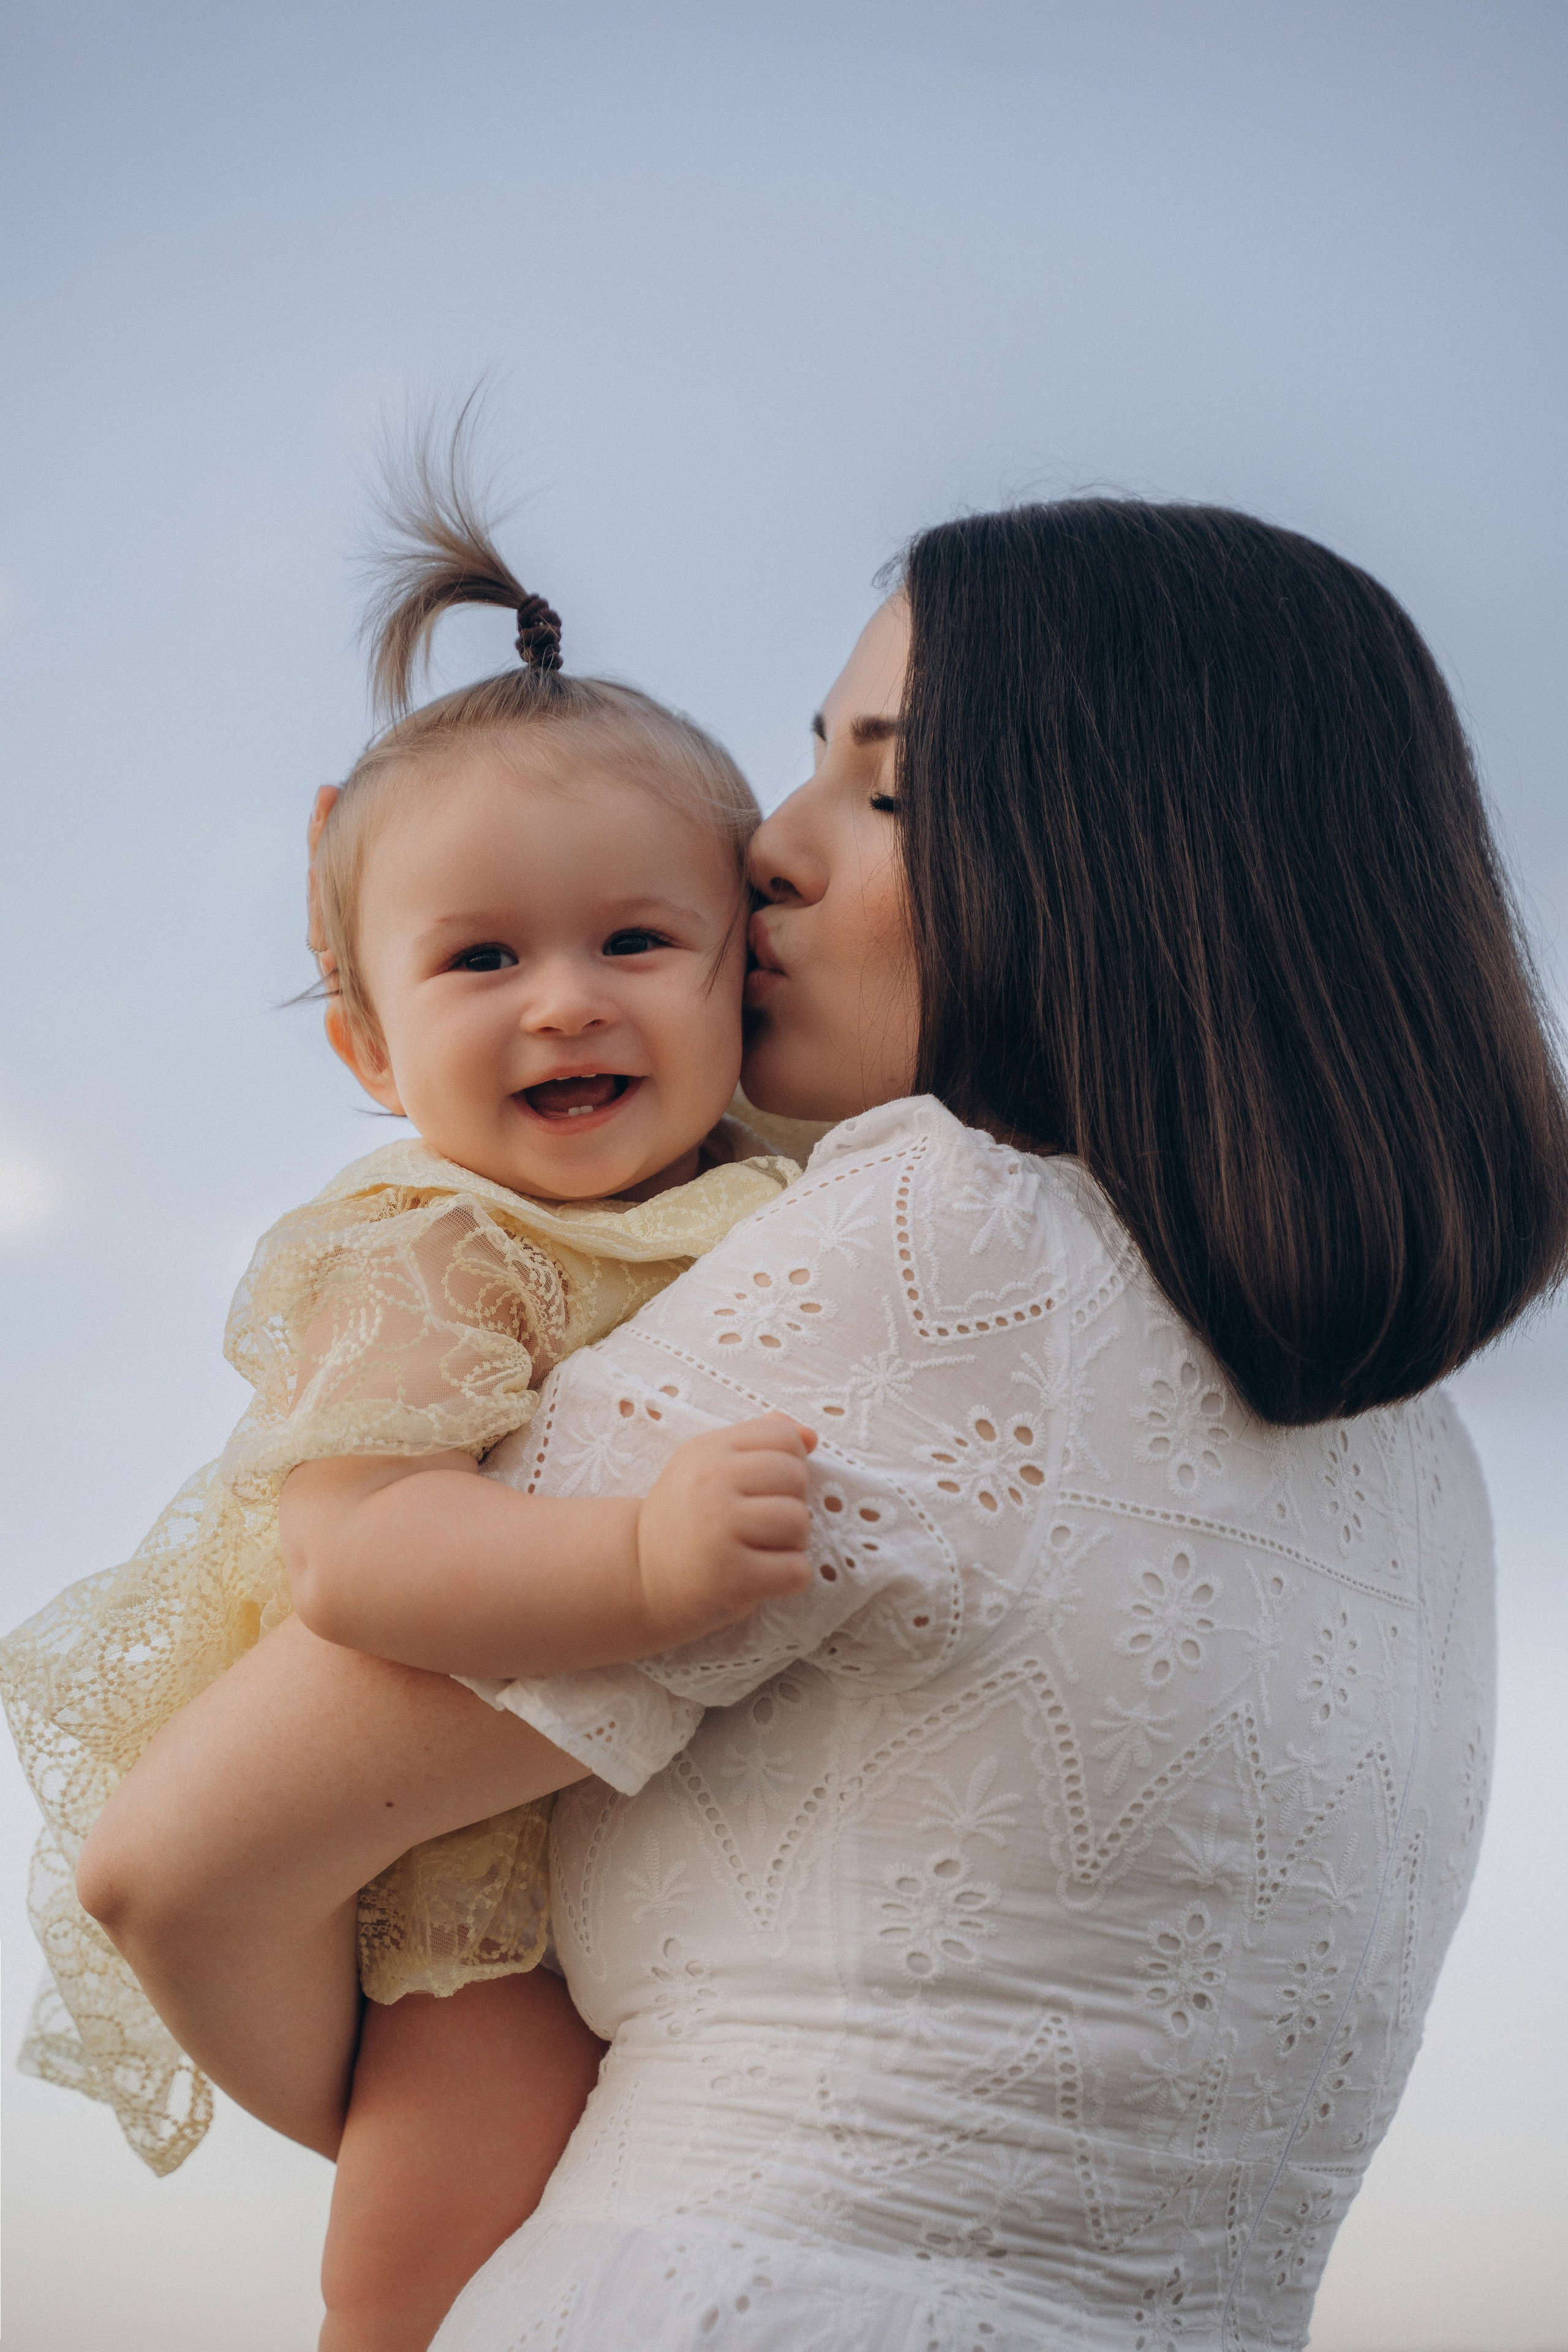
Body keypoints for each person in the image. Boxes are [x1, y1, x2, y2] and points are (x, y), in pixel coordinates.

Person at [78, 499, 1568, 2350]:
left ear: (1108, 854)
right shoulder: (1414, 1456)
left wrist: (458, 2158)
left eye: (880, 789)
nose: (763, 853)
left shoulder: (950, 1241)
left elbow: (173, 1864)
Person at [1, 456, 831, 2349]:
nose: (564, 1005)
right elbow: (366, 1559)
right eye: (481, 960)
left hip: (707, 1853)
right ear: (367, 1042)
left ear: (741, 973)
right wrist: (640, 1565)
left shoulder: (776, 1180)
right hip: (471, 1886)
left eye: (633, 943)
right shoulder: (423, 1241)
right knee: (427, 2258)